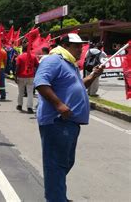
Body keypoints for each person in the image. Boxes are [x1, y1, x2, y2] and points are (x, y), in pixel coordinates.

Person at [34, 33, 104, 202]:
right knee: (56, 164)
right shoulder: (54, 60)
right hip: (57, 121)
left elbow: (79, 85)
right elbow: (40, 82)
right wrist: (59, 104)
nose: (81, 49)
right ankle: (56, 198)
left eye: (81, 46)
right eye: (77, 46)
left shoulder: (69, 64)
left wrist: (93, 75)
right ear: (65, 46)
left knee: (65, 162)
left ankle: (56, 194)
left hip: (69, 123)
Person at [15, 44, 39, 113]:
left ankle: (19, 105)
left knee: (20, 92)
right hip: (31, 76)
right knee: (30, 93)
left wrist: (15, 76)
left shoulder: (20, 57)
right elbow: (37, 66)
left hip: (21, 76)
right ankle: (29, 107)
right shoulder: (33, 57)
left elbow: (17, 67)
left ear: (23, 49)